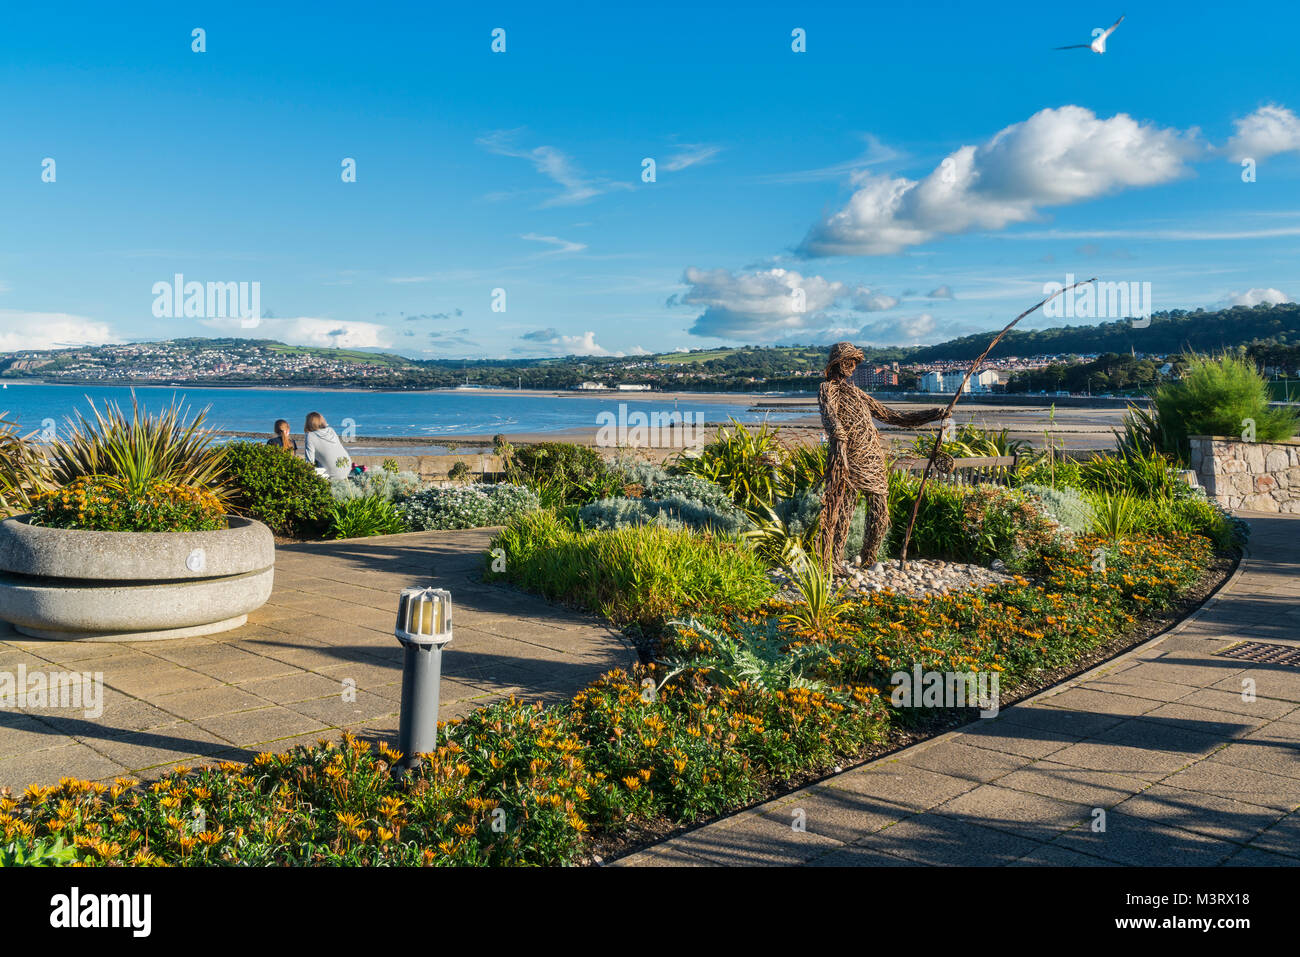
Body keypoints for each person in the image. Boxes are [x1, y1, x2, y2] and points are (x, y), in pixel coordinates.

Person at [817, 342, 947, 575]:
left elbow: (892, 416)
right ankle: (833, 562)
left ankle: (870, 559)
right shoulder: (828, 389)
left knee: (879, 512)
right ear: (837, 363)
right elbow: (829, 415)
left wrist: (931, 415)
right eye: (848, 362)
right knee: (843, 510)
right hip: (848, 457)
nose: (851, 367)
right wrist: (837, 433)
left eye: (854, 362)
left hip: (872, 459)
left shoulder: (858, 394)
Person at [302, 412, 352, 479]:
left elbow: (309, 461)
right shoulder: (331, 430)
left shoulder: (310, 436)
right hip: (347, 466)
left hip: (334, 474)